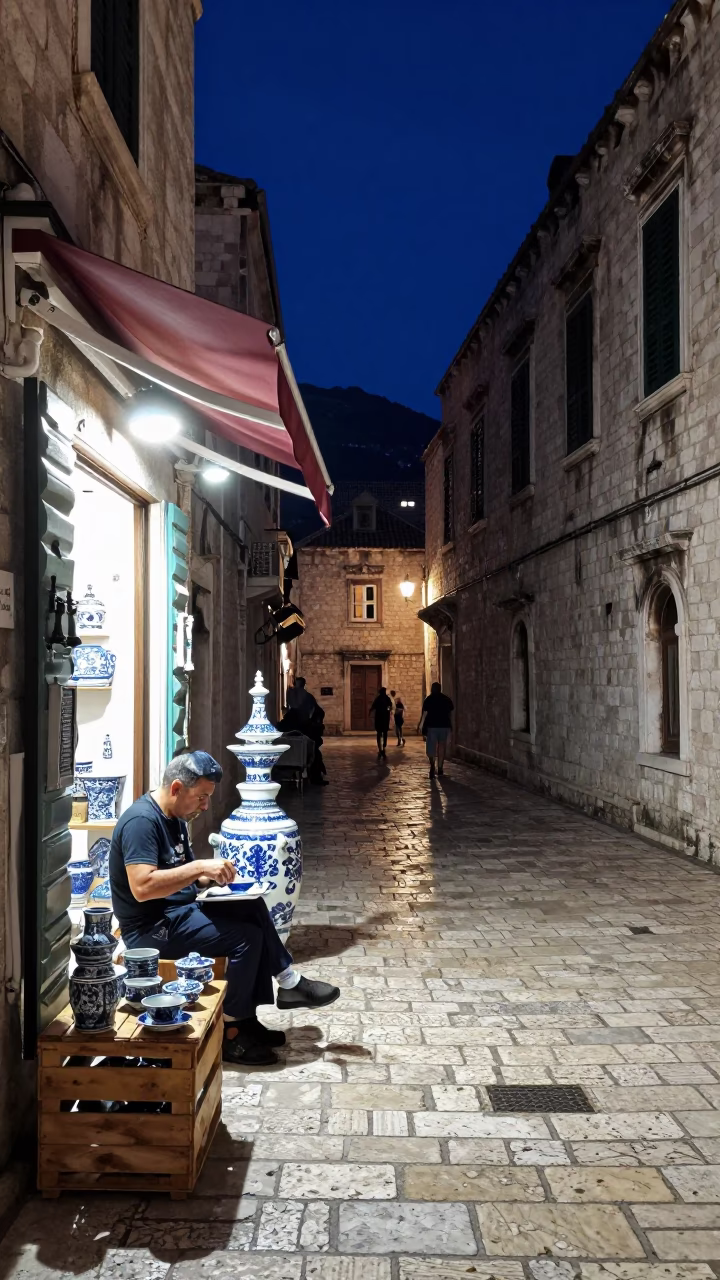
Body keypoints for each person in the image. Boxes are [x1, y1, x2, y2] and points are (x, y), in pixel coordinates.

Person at [109, 751, 340, 1066]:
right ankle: (231, 1031)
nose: (205, 806)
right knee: (245, 938)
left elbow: (180, 874)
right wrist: (200, 867)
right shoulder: (142, 822)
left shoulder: (175, 818)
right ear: (176, 788)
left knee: (252, 907)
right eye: (201, 797)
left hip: (180, 913)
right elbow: (142, 886)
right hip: (152, 930)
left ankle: (271, 998)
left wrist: (208, 878)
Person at [417, 681, 454, 778]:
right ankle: (440, 767)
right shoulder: (446, 699)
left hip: (432, 726)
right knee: (441, 747)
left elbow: (424, 714)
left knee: (431, 747)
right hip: (444, 726)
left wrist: (420, 725)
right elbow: (450, 714)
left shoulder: (428, 699)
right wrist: (451, 727)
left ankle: (432, 765)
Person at [370, 686, 393, 758]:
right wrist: (387, 711)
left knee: (379, 733)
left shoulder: (378, 699)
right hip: (385, 719)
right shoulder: (387, 699)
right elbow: (390, 707)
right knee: (384, 733)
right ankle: (383, 746)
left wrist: (370, 711)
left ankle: (380, 748)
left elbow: (373, 706)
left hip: (379, 718)